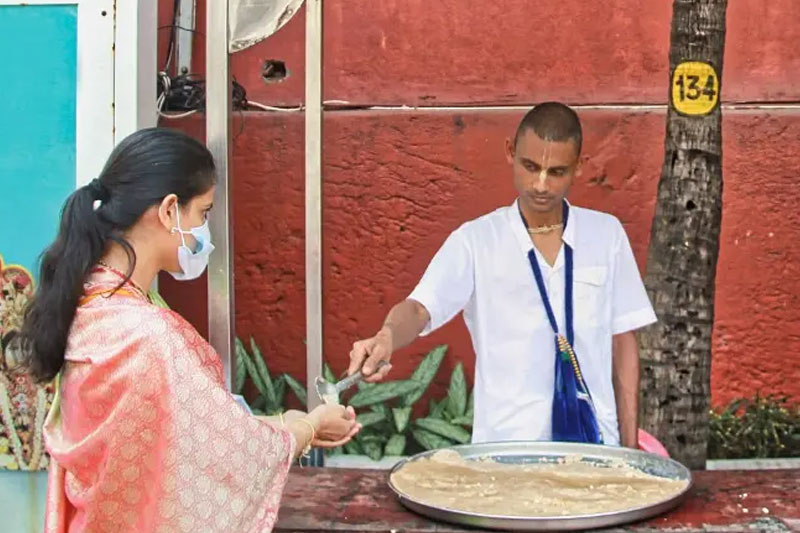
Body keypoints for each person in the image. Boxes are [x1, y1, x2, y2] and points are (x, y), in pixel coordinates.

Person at [18, 128, 360, 532]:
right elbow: (229, 454)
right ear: (167, 211)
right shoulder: (147, 334)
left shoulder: (93, 302)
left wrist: (290, 422)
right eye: (203, 213)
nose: (204, 231)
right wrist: (309, 426)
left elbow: (187, 430)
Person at [348, 102, 656, 449]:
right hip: (505, 455)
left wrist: (629, 451)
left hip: (596, 448)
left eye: (556, 172)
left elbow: (623, 342)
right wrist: (387, 337)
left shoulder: (607, 235)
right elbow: (420, 309)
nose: (540, 184)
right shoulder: (476, 241)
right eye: (530, 166)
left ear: (579, 168)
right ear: (510, 151)